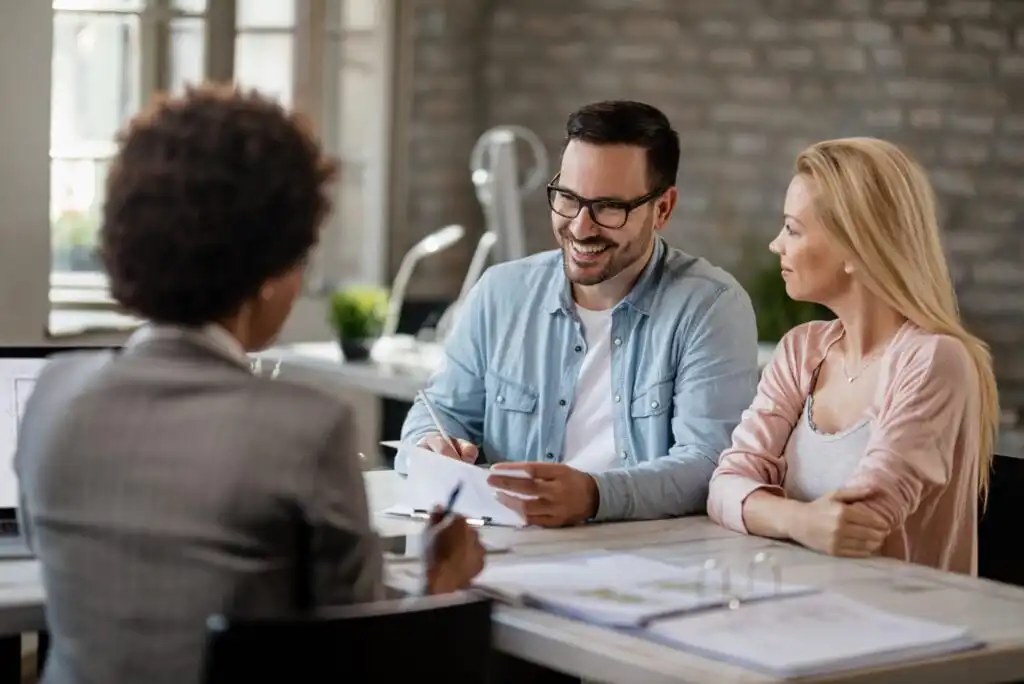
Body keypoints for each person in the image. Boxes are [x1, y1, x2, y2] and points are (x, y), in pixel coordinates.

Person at [15, 85, 484, 684]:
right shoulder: (306, 430)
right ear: (268, 272)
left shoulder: (53, 394)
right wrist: (438, 585)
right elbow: (364, 653)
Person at [399, 100, 759, 527]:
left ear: (662, 209)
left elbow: (708, 466)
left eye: (609, 207)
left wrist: (594, 495)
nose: (581, 227)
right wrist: (430, 444)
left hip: (647, 561)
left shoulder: (709, 307)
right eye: (568, 198)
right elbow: (438, 412)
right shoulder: (500, 293)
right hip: (509, 550)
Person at [706, 137, 999, 575]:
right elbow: (725, 487)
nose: (775, 244)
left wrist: (766, 510)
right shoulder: (801, 350)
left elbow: (859, 524)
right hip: (802, 609)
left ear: (854, 247)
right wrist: (801, 520)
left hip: (902, 626)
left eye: (792, 228)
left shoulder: (935, 360)